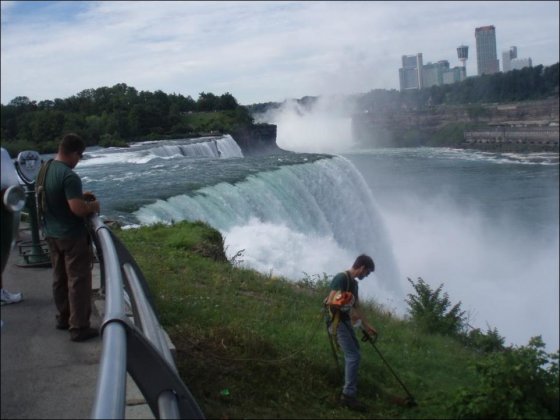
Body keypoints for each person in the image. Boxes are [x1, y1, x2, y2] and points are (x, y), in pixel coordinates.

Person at [37, 133, 101, 342]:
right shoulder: (69, 175)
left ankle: (63, 318)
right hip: (72, 237)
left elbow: (54, 198)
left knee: (59, 279)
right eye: (79, 156)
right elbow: (77, 209)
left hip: (51, 234)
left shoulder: (45, 169)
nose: (79, 161)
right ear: (74, 153)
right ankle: (79, 327)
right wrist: (92, 205)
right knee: (78, 281)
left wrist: (78, 197)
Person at [325, 254, 377, 412]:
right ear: (361, 267)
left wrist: (368, 325)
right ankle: (348, 396)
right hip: (336, 321)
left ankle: (349, 385)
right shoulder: (341, 278)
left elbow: (357, 307)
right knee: (353, 356)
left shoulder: (354, 284)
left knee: (356, 351)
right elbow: (330, 301)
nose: (366, 276)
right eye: (367, 273)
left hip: (346, 320)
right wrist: (341, 300)